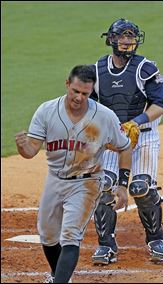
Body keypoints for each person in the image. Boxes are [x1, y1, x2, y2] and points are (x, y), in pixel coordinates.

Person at [15, 65, 132, 283]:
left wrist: (123, 184)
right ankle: (57, 276)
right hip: (55, 179)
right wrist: (23, 147)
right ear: (67, 84)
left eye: (85, 93)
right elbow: (31, 151)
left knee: (70, 236)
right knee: (48, 235)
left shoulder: (104, 117)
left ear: (91, 91)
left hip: (87, 182)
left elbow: (124, 147)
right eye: (75, 91)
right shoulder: (47, 111)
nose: (79, 97)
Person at [89, 18, 163, 264]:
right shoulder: (97, 70)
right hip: (112, 140)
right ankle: (106, 245)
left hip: (142, 136)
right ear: (111, 40)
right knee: (104, 187)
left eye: (131, 40)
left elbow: (161, 105)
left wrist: (136, 121)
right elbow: (89, 105)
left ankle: (155, 238)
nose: (127, 44)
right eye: (122, 40)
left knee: (140, 188)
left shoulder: (146, 69)